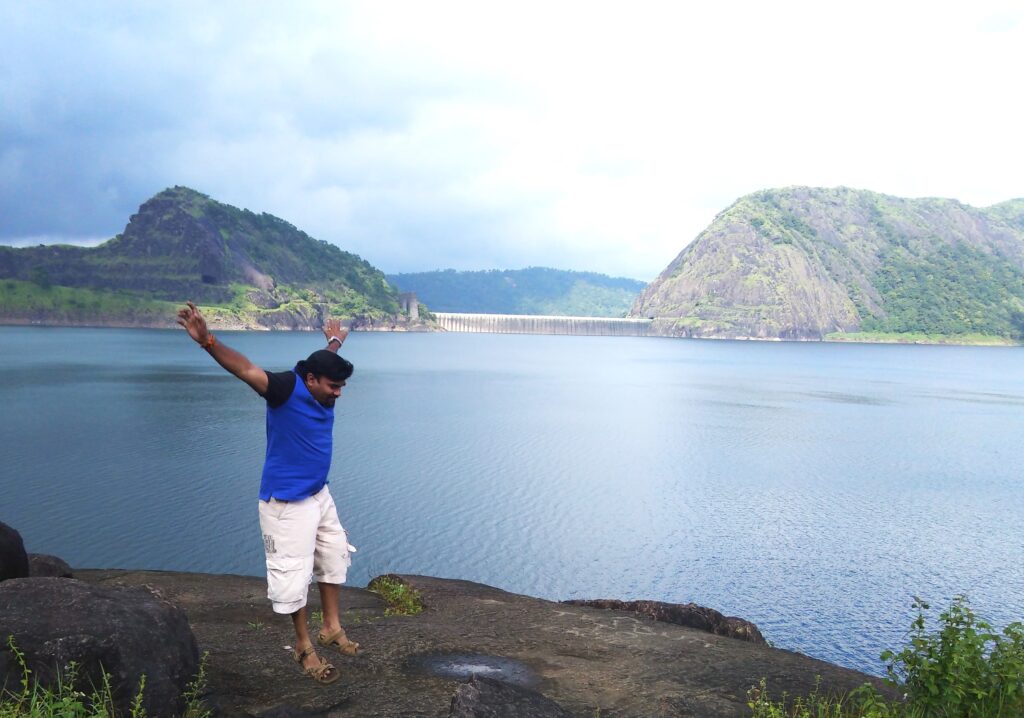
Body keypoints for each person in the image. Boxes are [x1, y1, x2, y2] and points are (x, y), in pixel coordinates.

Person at [177, 301, 359, 685]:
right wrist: (207, 341)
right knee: (293, 578)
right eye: (333, 387)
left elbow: (326, 358)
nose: (338, 394)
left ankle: (331, 627)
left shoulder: (320, 376)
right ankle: (303, 645)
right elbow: (244, 368)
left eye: (341, 386)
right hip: (286, 502)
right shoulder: (283, 389)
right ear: (310, 380)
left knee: (333, 557)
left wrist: (334, 340)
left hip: (317, 494)